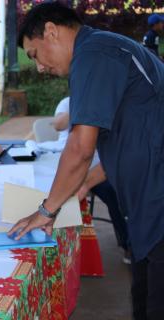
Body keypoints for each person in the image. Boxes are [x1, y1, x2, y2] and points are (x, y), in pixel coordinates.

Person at [8, 3, 164, 319]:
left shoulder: (94, 54)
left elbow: (80, 148)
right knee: (145, 298)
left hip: (158, 202)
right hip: (148, 202)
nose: (38, 67)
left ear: (51, 31)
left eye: (34, 54)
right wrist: (84, 185)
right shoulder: (103, 49)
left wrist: (46, 211)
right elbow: (132, 138)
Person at [50, 97, 130, 263]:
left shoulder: (107, 103)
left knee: (114, 193)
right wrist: (82, 104)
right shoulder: (67, 102)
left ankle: (128, 244)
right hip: (70, 169)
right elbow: (58, 124)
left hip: (98, 170)